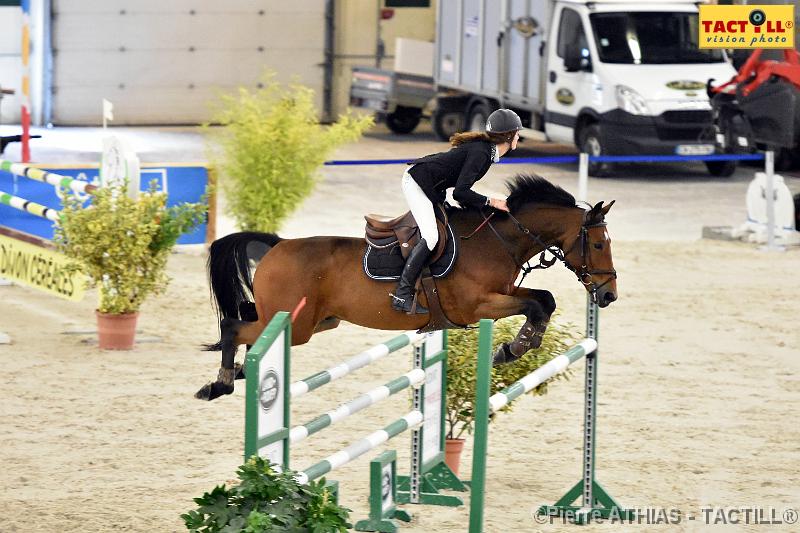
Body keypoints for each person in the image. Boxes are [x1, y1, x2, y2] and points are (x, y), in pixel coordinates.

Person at [390, 108, 523, 314]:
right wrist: (491, 201)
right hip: (417, 182)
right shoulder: (482, 153)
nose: (518, 136)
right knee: (431, 237)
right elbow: (461, 193)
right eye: (517, 132)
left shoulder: (486, 152)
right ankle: (402, 293)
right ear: (508, 136)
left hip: (434, 186)